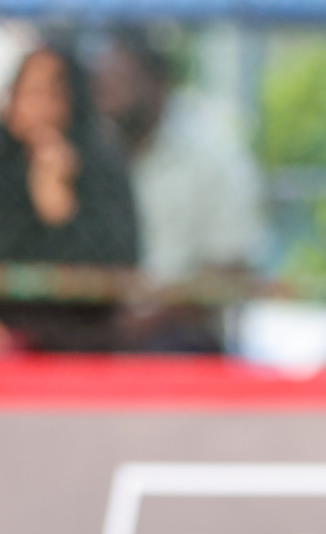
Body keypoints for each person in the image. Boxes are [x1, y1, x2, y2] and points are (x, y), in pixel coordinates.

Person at [0, 42, 139, 357]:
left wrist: (59, 207)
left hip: (81, 344)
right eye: (30, 93)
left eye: (55, 94)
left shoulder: (102, 169)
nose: (41, 108)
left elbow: (116, 268)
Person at [92, 29, 265, 352]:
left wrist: (154, 316)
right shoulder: (87, 152)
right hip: (92, 327)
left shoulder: (213, 154)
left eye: (120, 81)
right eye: (102, 83)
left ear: (158, 82)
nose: (107, 94)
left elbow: (231, 264)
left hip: (178, 334)